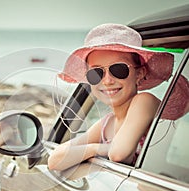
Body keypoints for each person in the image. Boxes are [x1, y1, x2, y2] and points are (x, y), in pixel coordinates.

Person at [48, 23, 178, 171]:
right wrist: (95, 149)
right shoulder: (107, 123)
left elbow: (118, 154)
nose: (108, 80)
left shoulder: (144, 101)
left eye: (119, 69)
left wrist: (92, 151)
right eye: (96, 73)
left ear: (139, 73)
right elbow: (54, 161)